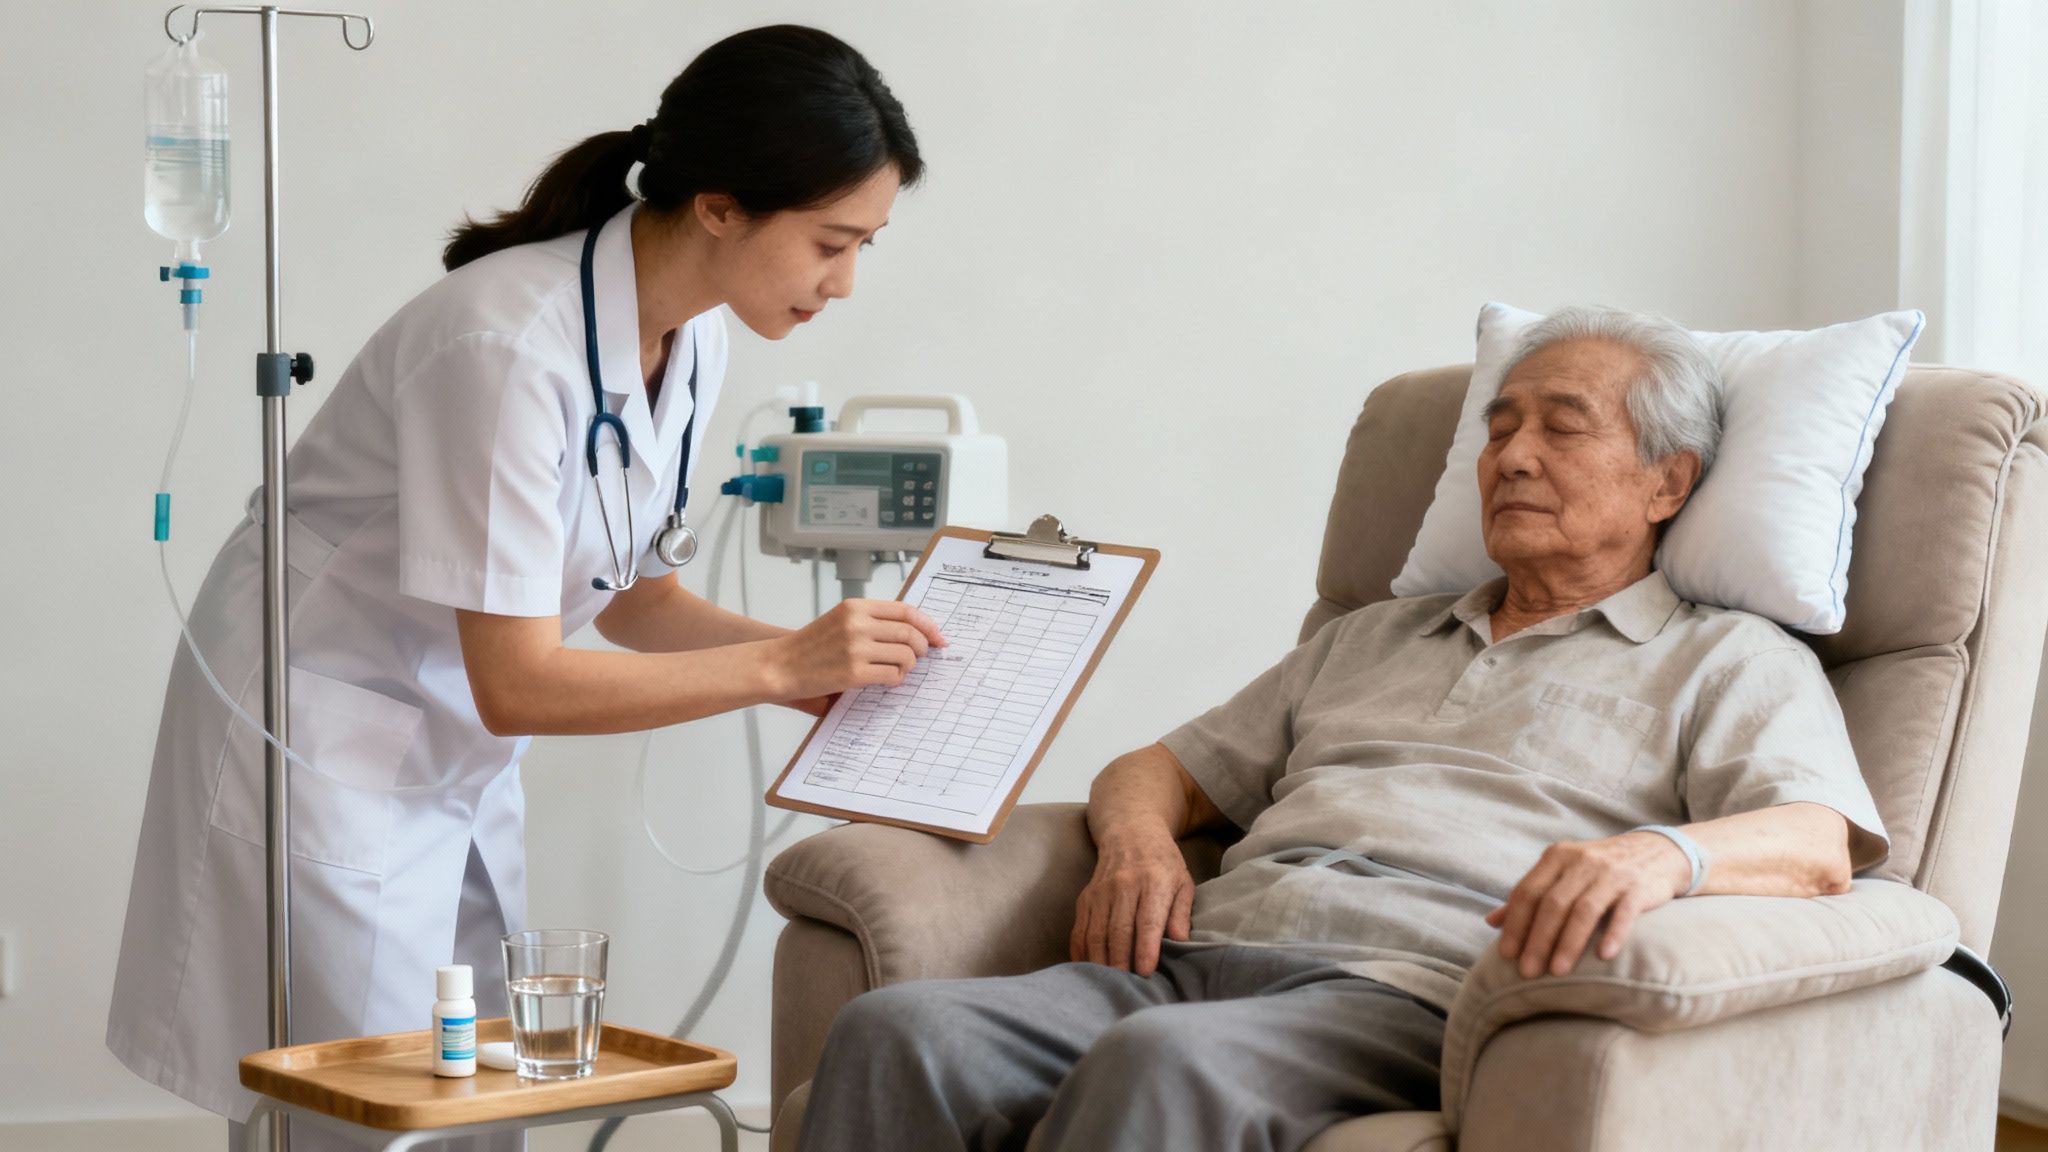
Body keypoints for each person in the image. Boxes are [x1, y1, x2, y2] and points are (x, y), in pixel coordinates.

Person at [106, 24, 942, 1145]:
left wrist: (817, 681)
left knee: (478, 1087)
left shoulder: (688, 341)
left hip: (445, 733)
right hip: (317, 726)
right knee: (368, 1105)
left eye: (864, 249)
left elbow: (630, 596)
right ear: (720, 206)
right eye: (831, 243)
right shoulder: (501, 344)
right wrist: (781, 663)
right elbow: (518, 679)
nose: (841, 283)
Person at [795, 307, 1891, 1152]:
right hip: (1192, 963)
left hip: (1400, 992)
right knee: (898, 1032)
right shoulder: (1372, 637)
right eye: (1499, 426)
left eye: (1562, 426)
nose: (1509, 455)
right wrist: (1133, 842)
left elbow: (1813, 841)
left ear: (1666, 482)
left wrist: (1659, 855)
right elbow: (1158, 769)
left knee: (1160, 1067)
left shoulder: (1724, 657)